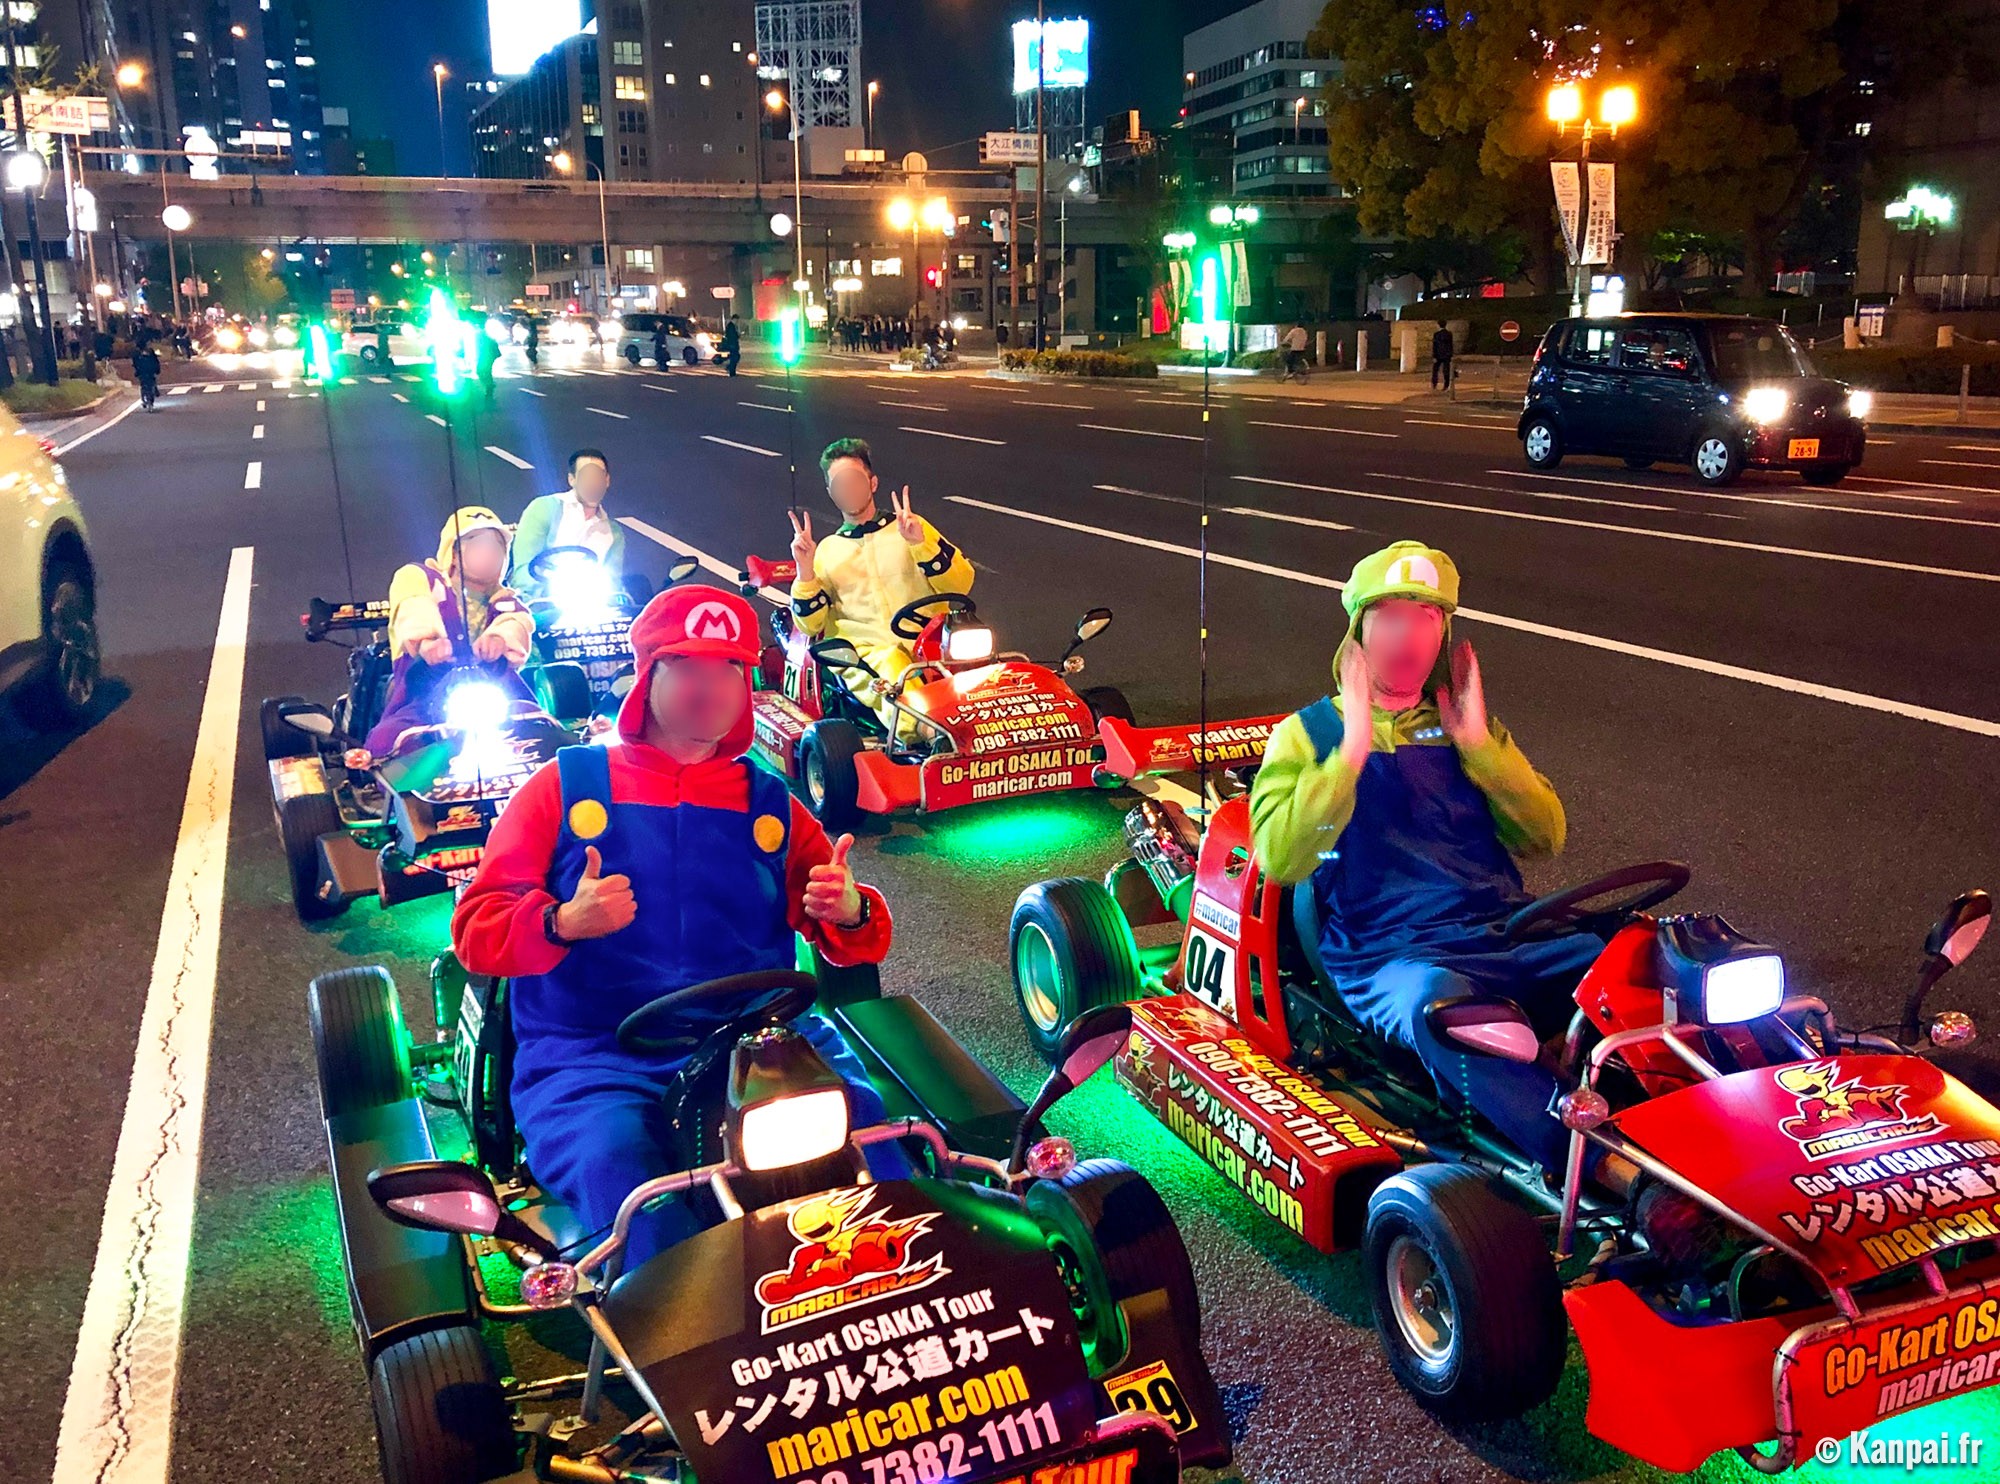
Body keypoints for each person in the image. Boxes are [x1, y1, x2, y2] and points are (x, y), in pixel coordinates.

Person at [451, 584, 898, 1266]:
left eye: (728, 670)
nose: (710, 688)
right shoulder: (561, 787)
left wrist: (848, 909)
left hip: (760, 1043)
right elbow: (476, 932)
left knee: (882, 1155)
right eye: (687, 667)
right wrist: (562, 920)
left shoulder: (767, 799)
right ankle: (680, 1341)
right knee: (636, 1196)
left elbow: (857, 934)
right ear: (647, 675)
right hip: (597, 1058)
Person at [1248, 540, 1631, 1189]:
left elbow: (1545, 840)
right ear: (1358, 632)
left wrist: (1478, 745)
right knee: (1451, 1014)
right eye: (1390, 615)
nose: (1407, 634)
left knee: (1647, 953)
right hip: (1388, 956)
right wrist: (1350, 754)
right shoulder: (1306, 735)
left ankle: (1774, 1111)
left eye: (1424, 617)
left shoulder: (1461, 726)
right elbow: (1281, 858)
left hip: (1499, 929)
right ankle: (1612, 1173)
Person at [788, 437, 973, 738]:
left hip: (929, 643)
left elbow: (962, 583)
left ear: (873, 483)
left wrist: (920, 544)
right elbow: (810, 626)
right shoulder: (827, 551)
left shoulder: (910, 528)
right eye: (840, 484)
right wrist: (805, 569)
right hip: (866, 654)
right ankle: (933, 736)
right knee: (891, 663)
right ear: (831, 494)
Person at [363, 507, 536, 757]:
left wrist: (500, 639)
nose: (489, 553)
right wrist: (427, 641)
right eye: (478, 544)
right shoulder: (420, 578)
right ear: (454, 552)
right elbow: (413, 604)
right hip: (424, 697)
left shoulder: (507, 602)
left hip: (496, 697)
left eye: (496, 546)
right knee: (387, 744)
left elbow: (516, 624)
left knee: (540, 729)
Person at [508, 448, 627, 599]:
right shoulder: (544, 509)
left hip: (591, 605)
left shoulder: (613, 533)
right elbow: (524, 569)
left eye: (598, 475)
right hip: (542, 602)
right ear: (572, 479)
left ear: (607, 480)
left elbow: (613, 580)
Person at [132, 340, 161, 410]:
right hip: (150, 371)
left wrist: (137, 371)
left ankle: (144, 399)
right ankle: (153, 395)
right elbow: (156, 361)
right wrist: (157, 370)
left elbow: (135, 364)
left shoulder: (136, 353)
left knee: (143, 385)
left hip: (142, 372)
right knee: (151, 384)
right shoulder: (150, 351)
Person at [476, 324, 501, 403]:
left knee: (482, 371)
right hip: (488, 356)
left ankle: (489, 387)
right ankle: (489, 387)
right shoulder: (482, 334)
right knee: (485, 371)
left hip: (487, 356)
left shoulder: (481, 335)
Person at [1431, 325, 1455, 390]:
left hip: (1438, 355)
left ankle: (1434, 384)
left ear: (1438, 325)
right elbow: (1451, 345)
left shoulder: (1436, 334)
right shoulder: (1449, 334)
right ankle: (1446, 385)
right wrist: (1451, 355)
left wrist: (1434, 356)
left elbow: (1434, 346)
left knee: (1435, 370)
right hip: (1447, 355)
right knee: (1446, 370)